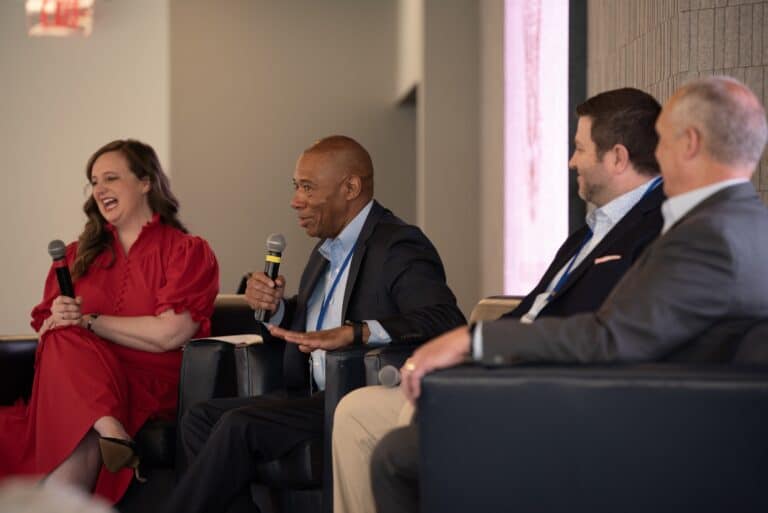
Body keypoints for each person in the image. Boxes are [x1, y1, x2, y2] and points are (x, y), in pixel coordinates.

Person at [371, 76, 768, 513]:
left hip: (635, 435)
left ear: (690, 142)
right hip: (655, 414)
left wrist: (473, 340)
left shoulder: (706, 236)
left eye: (661, 140)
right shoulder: (742, 224)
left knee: (397, 457)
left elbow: (610, 340)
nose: (654, 155)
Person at [332, 87, 666, 513]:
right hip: (502, 371)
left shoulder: (657, 229)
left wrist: (478, 350)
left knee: (420, 411)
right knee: (355, 411)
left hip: (548, 392)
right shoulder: (586, 234)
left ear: (618, 158)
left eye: (580, 148)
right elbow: (532, 310)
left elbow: (598, 333)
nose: (571, 161)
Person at [163, 135, 465, 513]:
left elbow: (444, 320)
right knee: (200, 419)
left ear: (350, 188)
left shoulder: (398, 244)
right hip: (305, 391)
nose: (295, 201)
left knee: (236, 426)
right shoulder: (326, 251)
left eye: (307, 188)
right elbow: (312, 325)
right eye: (296, 187)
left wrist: (359, 331)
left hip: (351, 392)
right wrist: (275, 311)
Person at [0, 140, 220, 504]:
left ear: (146, 182)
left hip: (146, 382)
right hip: (78, 380)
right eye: (94, 181)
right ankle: (109, 429)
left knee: (72, 359)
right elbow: (46, 333)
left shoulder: (187, 251)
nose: (99, 189)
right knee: (61, 336)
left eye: (111, 178)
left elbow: (170, 333)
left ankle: (104, 426)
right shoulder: (74, 256)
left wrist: (89, 321)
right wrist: (59, 320)